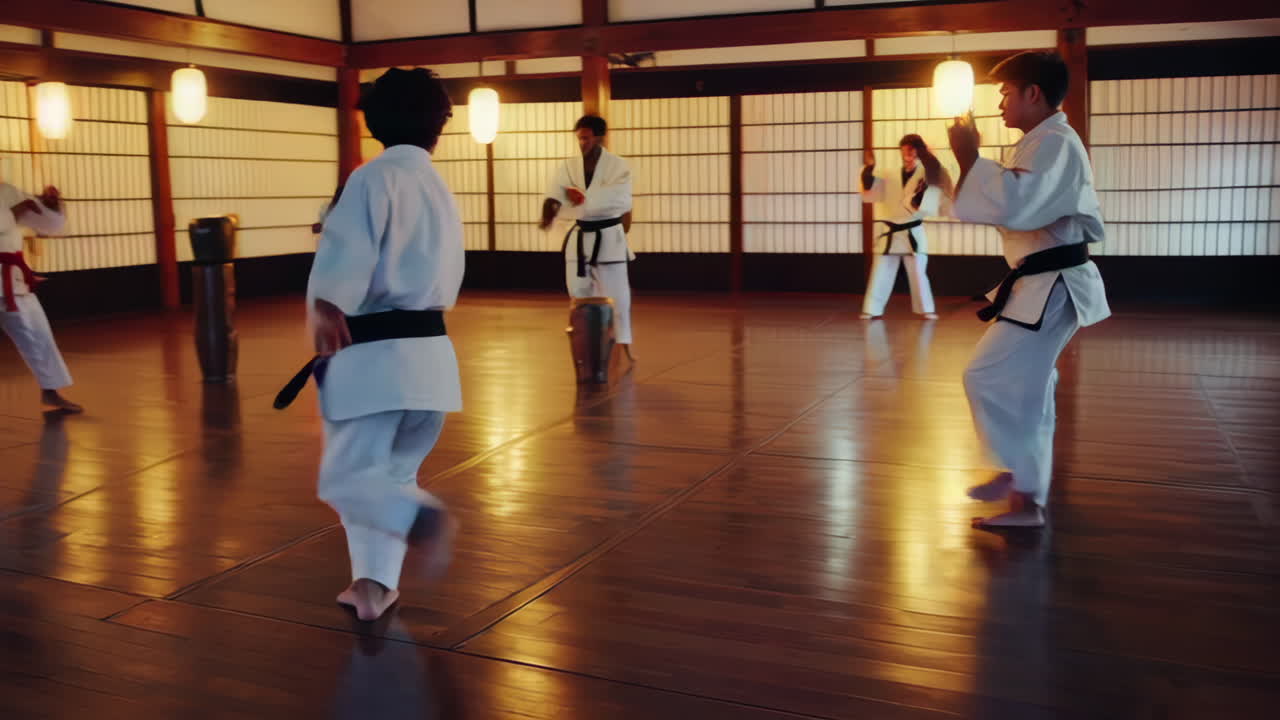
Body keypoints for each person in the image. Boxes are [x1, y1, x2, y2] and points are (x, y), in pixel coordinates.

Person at [287, 67, 464, 621]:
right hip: (430, 366)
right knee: (390, 477)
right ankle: (373, 587)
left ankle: (420, 519)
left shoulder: (370, 178)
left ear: (373, 119)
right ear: (438, 126)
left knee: (348, 478)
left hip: (374, 362)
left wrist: (325, 304)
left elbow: (346, 258)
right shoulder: (437, 186)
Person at [947, 50, 1110, 528]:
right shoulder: (1043, 141)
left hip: (1052, 284)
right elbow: (1011, 198)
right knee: (1027, 388)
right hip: (1041, 283)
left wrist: (970, 157)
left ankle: (1019, 480)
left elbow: (1018, 203)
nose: (999, 105)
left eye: (1004, 93)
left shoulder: (1056, 142)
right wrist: (966, 165)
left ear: (1032, 93)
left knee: (987, 375)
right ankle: (1023, 490)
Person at [539, 115, 636, 360]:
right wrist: (549, 210)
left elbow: (622, 201)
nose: (582, 143)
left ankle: (621, 342)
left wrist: (582, 201)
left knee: (618, 295)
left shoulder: (618, 166)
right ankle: (585, 343)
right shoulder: (569, 166)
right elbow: (556, 193)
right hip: (580, 238)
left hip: (609, 237)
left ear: (600, 138)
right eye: (579, 138)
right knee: (579, 294)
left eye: (586, 138)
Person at [0, 180, 82, 413]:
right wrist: (13, 212)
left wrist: (51, 207)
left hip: (13, 279)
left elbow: (49, 225)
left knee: (39, 334)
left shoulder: (7, 191)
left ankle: (51, 390)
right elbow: (13, 215)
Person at [859, 134, 950, 320]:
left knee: (918, 272)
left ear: (918, 151)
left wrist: (929, 158)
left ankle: (926, 309)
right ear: (901, 151)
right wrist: (869, 168)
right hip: (891, 230)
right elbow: (869, 189)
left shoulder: (926, 174)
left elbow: (937, 182)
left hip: (912, 230)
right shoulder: (888, 174)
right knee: (881, 271)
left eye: (912, 150)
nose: (908, 154)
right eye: (905, 150)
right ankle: (872, 309)